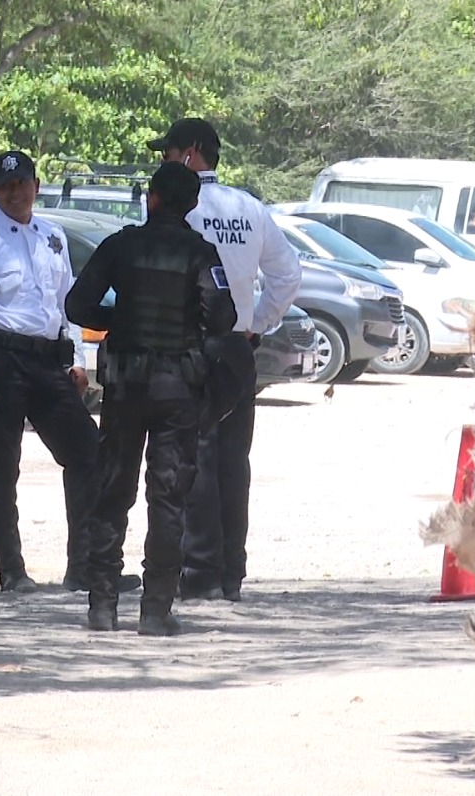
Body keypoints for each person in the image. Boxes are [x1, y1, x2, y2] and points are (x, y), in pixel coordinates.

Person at [0, 150, 136, 594]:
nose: (15, 192)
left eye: (22, 183)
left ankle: (85, 567)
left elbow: (68, 305)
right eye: (6, 186)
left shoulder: (53, 236)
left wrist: (77, 361)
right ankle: (13, 571)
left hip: (47, 361)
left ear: (36, 185)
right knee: (2, 467)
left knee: (87, 452)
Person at [65, 162, 237, 636]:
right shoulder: (202, 254)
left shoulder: (121, 245)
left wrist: (119, 321)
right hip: (177, 390)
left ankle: (102, 605)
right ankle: (156, 610)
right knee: (168, 497)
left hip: (125, 388)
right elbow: (223, 317)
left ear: (152, 198)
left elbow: (76, 306)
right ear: (193, 205)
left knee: (112, 491)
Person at [148, 118, 302, 602]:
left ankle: (200, 571)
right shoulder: (249, 208)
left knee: (194, 453)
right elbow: (288, 272)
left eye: (169, 153)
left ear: (191, 153)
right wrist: (259, 321)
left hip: (191, 343)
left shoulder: (179, 206)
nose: (163, 163)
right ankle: (232, 570)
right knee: (234, 460)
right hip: (238, 347)